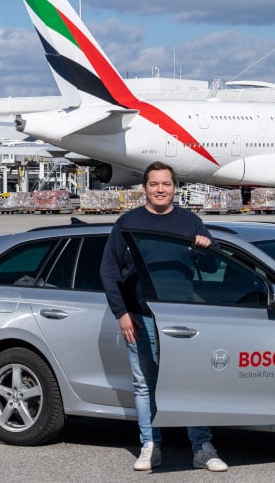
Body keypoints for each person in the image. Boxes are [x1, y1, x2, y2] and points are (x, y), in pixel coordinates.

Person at [100, 161, 228, 473]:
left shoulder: (190, 221)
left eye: (166, 184)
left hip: (183, 320)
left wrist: (205, 247)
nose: (160, 189)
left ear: (175, 188)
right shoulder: (128, 223)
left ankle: (202, 448)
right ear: (144, 188)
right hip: (141, 317)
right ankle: (150, 446)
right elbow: (109, 271)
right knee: (145, 385)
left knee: (191, 383)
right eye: (154, 184)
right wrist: (122, 313)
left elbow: (213, 267)